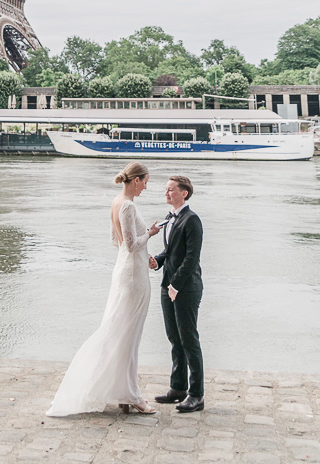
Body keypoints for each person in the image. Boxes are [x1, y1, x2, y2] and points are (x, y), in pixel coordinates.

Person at [46, 162, 162, 416]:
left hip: (124, 269)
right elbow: (131, 244)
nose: (146, 187)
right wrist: (151, 233)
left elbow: (116, 241)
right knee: (129, 336)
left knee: (121, 332)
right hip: (133, 276)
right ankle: (131, 395)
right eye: (145, 182)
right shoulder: (129, 205)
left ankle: (122, 391)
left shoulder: (115, 202)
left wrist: (145, 253)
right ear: (135, 180)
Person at [150, 175, 204, 413]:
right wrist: (157, 261)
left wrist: (176, 285)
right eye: (166, 189)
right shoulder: (169, 218)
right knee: (174, 338)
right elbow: (170, 250)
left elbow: (192, 258)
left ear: (184, 193)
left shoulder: (192, 220)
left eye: (171, 190)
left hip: (186, 288)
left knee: (189, 340)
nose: (166, 193)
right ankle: (178, 387)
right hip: (167, 285)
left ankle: (196, 394)